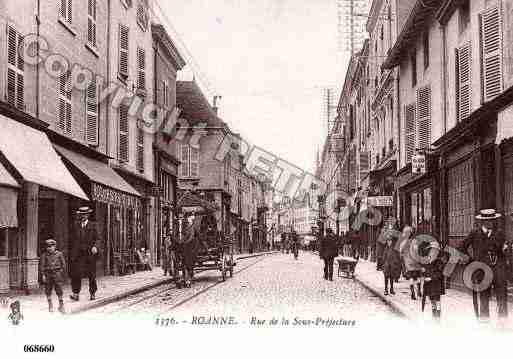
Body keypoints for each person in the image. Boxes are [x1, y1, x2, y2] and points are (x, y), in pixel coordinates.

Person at [460, 209, 509, 323]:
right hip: (482, 270)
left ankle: (503, 321)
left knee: (502, 295)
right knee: (484, 296)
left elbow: (504, 250)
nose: (490, 223)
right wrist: (471, 260)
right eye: (487, 220)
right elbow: (461, 247)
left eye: (492, 220)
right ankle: (484, 321)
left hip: (498, 269)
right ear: (482, 221)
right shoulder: (474, 233)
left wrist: (505, 250)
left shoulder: (499, 233)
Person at [69, 206, 99, 301]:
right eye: (82, 214)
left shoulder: (93, 225)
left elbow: (98, 239)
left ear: (88, 215)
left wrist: (95, 247)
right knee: (76, 274)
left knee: (91, 274)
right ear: (80, 215)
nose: (83, 216)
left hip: (89, 253)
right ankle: (76, 294)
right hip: (78, 254)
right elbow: (72, 239)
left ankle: (92, 293)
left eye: (85, 214)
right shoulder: (75, 225)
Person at [419, 241, 446, 322]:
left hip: (436, 284)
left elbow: (440, 274)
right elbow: (425, 271)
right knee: (432, 301)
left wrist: (431, 278)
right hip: (429, 285)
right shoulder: (428, 260)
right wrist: (423, 271)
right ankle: (434, 316)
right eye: (431, 250)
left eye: (434, 250)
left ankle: (438, 317)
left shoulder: (439, 262)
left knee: (437, 300)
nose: (432, 252)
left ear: (437, 251)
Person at [40, 239, 66, 313]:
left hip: (57, 274)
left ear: (55, 246)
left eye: (51, 246)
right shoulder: (44, 255)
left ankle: (61, 305)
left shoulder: (59, 254)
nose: (49, 248)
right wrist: (43, 275)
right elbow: (42, 266)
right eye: (48, 247)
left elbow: (63, 265)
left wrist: (60, 272)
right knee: (48, 289)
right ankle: (50, 305)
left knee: (59, 289)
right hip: (48, 274)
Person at [399, 226, 424, 300]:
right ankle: (419, 291)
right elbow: (418, 251)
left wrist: (404, 257)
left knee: (411, 278)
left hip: (409, 263)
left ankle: (413, 293)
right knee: (418, 277)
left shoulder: (404, 242)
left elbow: (400, 252)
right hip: (416, 262)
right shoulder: (415, 241)